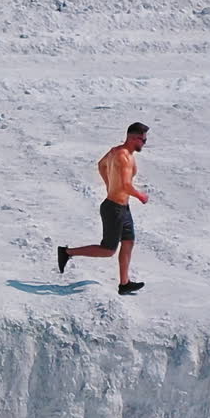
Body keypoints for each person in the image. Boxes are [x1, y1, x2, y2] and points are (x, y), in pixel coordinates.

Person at [58, 122, 149, 295]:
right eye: (142, 140)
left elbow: (101, 165)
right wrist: (141, 196)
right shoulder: (123, 157)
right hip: (114, 209)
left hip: (123, 208)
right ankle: (67, 252)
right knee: (108, 250)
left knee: (128, 242)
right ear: (132, 138)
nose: (144, 143)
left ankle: (124, 283)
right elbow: (126, 184)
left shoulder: (117, 151)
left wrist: (109, 185)